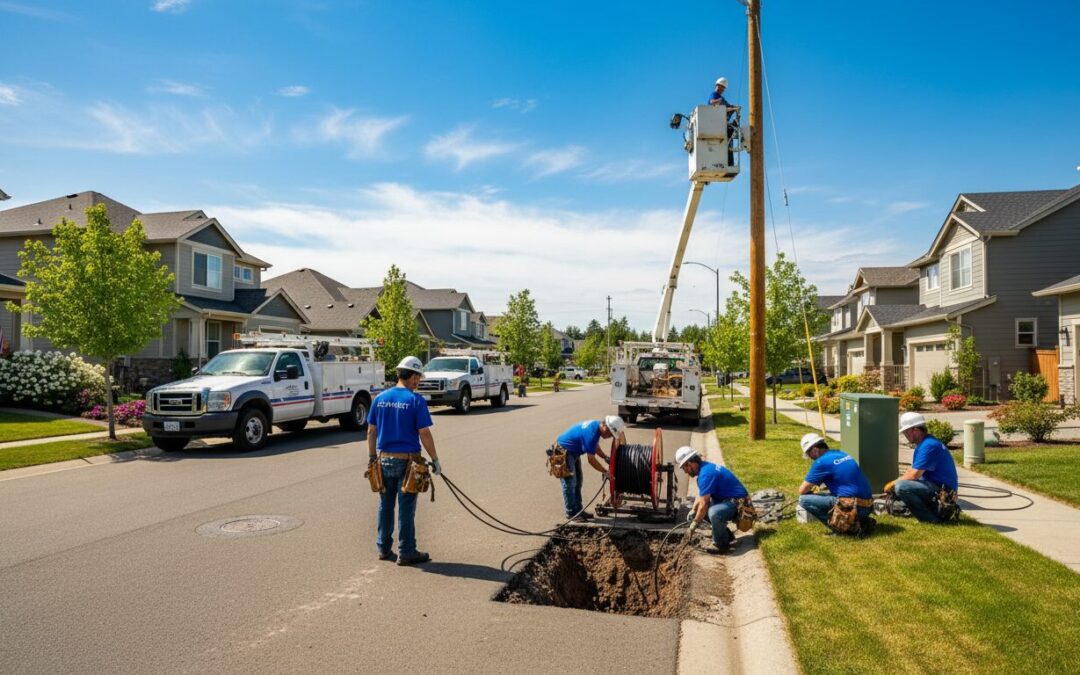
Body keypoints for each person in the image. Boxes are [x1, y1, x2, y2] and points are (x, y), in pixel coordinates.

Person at [366, 355, 442, 566]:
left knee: (385, 505)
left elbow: (371, 431)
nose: (419, 382)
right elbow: (424, 433)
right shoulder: (415, 400)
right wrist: (435, 459)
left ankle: (383, 547)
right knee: (406, 508)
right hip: (408, 463)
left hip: (384, 461)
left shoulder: (380, 399)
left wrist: (372, 459)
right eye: (418, 378)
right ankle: (406, 551)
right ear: (413, 376)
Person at [797, 433, 876, 536]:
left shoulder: (821, 462)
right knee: (824, 495)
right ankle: (859, 521)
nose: (810, 458)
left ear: (815, 450)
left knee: (804, 499)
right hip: (868, 505)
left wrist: (811, 491)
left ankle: (842, 528)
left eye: (809, 454)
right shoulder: (840, 453)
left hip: (854, 506)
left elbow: (802, 490)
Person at [675, 446, 749, 553]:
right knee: (701, 511)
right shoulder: (705, 468)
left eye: (684, 468)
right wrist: (693, 511)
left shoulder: (705, 475)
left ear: (689, 463)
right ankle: (725, 535)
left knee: (712, 512)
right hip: (728, 501)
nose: (685, 472)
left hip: (739, 505)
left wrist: (694, 525)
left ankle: (721, 544)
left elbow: (704, 504)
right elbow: (702, 495)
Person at [889, 412, 960, 523]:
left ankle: (930, 520)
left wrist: (893, 483)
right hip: (938, 488)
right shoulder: (926, 443)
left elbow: (914, 475)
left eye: (906, 432)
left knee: (901, 487)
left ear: (916, 430)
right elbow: (913, 471)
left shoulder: (929, 445)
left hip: (944, 492)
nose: (905, 435)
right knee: (901, 487)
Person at [552, 416, 623, 520]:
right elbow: (591, 460)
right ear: (604, 426)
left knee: (578, 482)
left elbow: (594, 446)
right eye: (609, 434)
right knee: (570, 483)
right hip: (564, 451)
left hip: (573, 452)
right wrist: (605, 472)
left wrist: (605, 457)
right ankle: (571, 513)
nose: (609, 437)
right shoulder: (592, 433)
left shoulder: (596, 427)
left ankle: (578, 510)